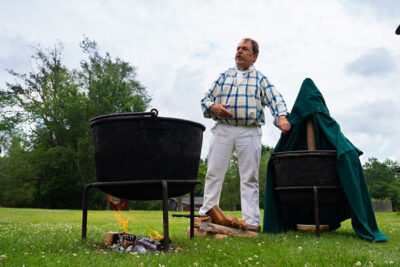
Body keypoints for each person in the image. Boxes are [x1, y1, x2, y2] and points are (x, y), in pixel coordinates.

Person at [198, 38, 291, 232]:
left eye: (245, 49)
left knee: (249, 177)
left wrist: (281, 117)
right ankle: (206, 213)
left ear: (254, 56)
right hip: (223, 129)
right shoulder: (224, 76)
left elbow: (276, 99)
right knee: (214, 172)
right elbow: (205, 100)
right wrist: (214, 107)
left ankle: (251, 222)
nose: (239, 51)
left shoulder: (260, 79)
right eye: (238, 48)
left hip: (249, 131)